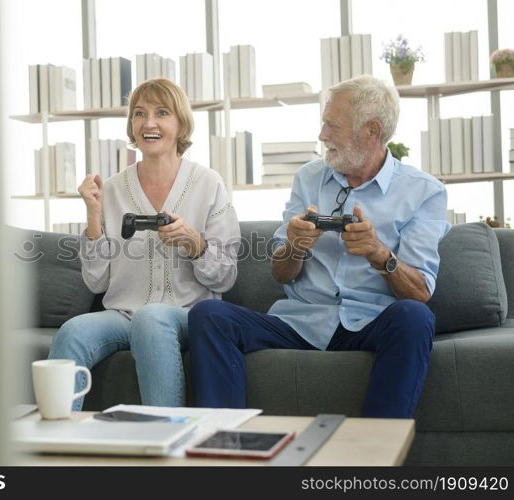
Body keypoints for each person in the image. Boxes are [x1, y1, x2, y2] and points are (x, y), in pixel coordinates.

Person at [188, 75, 450, 418]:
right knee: (209, 315)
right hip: (301, 320)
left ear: (371, 130)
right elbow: (281, 272)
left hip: (370, 322)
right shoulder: (309, 177)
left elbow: (418, 292)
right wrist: (295, 247)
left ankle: (374, 455)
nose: (322, 135)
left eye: (332, 125)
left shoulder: (424, 192)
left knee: (415, 317)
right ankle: (224, 445)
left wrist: (379, 253)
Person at [48, 78, 240, 409]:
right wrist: (94, 215)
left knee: (151, 319)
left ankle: (166, 437)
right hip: (123, 315)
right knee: (72, 331)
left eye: (161, 113)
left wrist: (195, 244)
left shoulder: (209, 183)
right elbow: (97, 281)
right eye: (139, 114)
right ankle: (57, 444)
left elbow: (225, 277)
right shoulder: (111, 188)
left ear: (180, 125)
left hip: (186, 314)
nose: (148, 123)